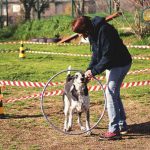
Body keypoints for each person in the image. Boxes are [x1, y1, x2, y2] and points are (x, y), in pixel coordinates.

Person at [71, 16, 132, 140]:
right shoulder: (93, 31)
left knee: (110, 93)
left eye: (82, 33)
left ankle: (114, 130)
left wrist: (94, 72)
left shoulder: (104, 30)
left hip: (120, 63)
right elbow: (96, 54)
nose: (82, 35)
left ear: (86, 28)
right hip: (112, 63)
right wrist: (90, 69)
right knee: (113, 93)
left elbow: (107, 56)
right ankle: (121, 125)